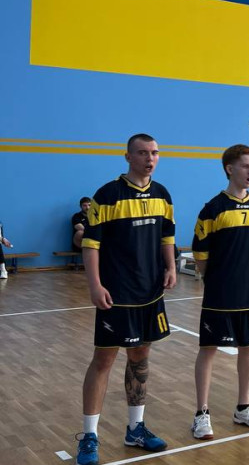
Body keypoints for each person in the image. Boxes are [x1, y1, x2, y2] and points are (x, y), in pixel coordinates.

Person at [75, 133, 177, 465]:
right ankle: (89, 436)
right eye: (143, 153)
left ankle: (135, 429)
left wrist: (171, 267)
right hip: (116, 294)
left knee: (140, 357)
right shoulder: (107, 195)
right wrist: (95, 285)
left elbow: (167, 236)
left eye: (154, 153)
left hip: (150, 293)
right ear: (128, 157)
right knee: (103, 360)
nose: (150, 158)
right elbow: (91, 245)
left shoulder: (162, 194)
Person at [190, 144, 249, 440]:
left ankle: (243, 408)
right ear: (229, 169)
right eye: (246, 166)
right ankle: (201, 414)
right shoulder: (213, 209)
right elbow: (201, 256)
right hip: (220, 295)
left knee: (248, 348)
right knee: (208, 349)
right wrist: (216, 279)